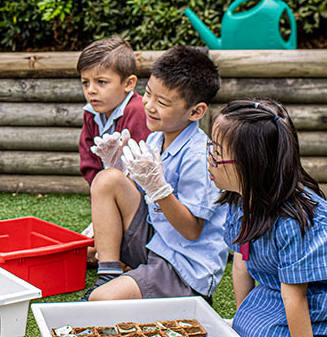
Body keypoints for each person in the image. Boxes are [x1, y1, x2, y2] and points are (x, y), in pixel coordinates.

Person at [209, 100, 327, 337]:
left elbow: (295, 295)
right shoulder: (239, 199)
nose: (210, 159)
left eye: (218, 153)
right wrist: (243, 323)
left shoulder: (297, 219)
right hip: (286, 288)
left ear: (251, 165)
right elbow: (242, 262)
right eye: (211, 148)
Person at [83, 45, 229, 302]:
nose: (148, 105)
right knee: (107, 180)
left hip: (182, 266)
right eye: (148, 94)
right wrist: (115, 167)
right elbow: (133, 196)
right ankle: (108, 274)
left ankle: (180, 297)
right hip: (156, 241)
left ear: (196, 112)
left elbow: (192, 231)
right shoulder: (155, 140)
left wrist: (160, 190)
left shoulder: (199, 156)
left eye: (161, 102)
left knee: (102, 301)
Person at [77, 37, 149, 186]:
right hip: (106, 193)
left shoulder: (137, 110)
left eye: (101, 82)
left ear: (129, 83)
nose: (91, 90)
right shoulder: (91, 112)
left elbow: (141, 167)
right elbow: (88, 159)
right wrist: (100, 191)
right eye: (85, 83)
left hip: (139, 194)